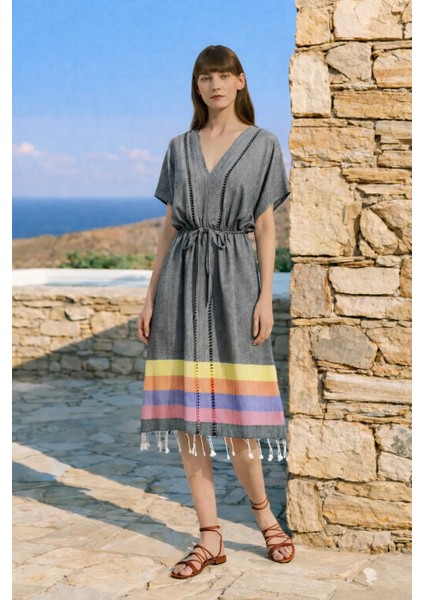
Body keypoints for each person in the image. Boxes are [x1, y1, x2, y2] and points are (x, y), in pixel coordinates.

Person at [137, 44, 294, 579]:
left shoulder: (263, 144)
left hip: (236, 283)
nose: (215, 85)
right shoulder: (179, 147)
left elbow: (266, 226)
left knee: (239, 416)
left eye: (224, 75)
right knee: (189, 419)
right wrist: (151, 296)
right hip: (180, 284)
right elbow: (169, 229)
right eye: (206, 77)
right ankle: (210, 536)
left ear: (241, 81)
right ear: (197, 86)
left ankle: (265, 517)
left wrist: (264, 296)